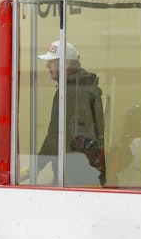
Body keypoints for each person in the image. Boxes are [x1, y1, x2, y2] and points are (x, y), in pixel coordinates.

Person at [34, 40, 106, 187]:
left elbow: (55, 134)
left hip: (71, 173)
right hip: (90, 171)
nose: (47, 66)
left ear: (65, 64)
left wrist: (37, 165)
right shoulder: (90, 87)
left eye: (52, 62)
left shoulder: (66, 92)